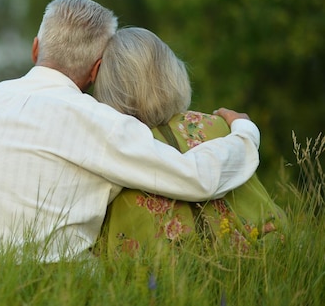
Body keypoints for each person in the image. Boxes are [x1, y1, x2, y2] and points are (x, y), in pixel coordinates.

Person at [0, 0, 261, 265]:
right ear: (96, 70)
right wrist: (244, 131)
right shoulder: (96, 120)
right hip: (53, 287)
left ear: (35, 49)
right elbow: (197, 178)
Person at [93, 27, 287, 256]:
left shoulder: (113, 147)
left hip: (157, 284)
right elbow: (266, 214)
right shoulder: (220, 127)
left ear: (108, 88)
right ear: (170, 73)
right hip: (251, 270)